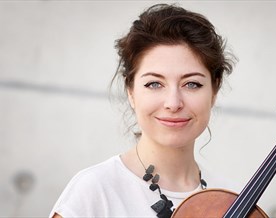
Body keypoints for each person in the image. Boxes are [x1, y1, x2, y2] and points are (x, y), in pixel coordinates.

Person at [50, 3, 237, 218]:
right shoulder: (94, 192)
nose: (173, 103)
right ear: (130, 91)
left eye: (192, 84)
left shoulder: (234, 199)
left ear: (214, 90)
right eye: (154, 84)